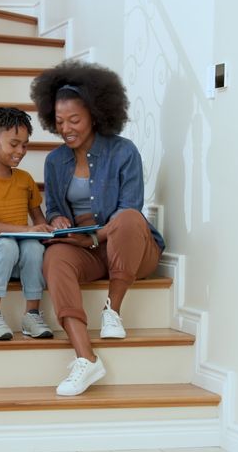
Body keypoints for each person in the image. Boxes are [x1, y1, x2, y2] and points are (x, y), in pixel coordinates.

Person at [30, 60, 166, 396]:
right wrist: (59, 220)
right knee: (55, 258)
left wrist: (90, 235)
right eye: (60, 121)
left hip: (131, 248)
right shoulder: (54, 161)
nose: (66, 128)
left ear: (95, 113)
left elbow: (129, 211)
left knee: (129, 220)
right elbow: (57, 207)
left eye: (74, 120)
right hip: (84, 248)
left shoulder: (124, 152)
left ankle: (113, 311)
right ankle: (86, 358)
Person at [0, 107, 56, 340]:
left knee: (34, 246)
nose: (20, 151)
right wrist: (28, 230)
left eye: (25, 145)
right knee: (6, 244)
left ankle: (31, 314)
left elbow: (38, 221)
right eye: (14, 144)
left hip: (15, 257)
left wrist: (50, 230)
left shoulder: (25, 180)